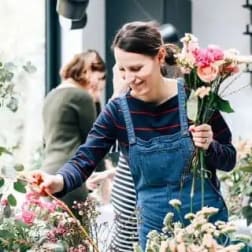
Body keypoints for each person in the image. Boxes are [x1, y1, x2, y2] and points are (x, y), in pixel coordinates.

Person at [32, 21, 236, 250]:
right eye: (122, 69)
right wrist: (57, 181)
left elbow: (229, 159)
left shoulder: (196, 100)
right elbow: (85, 158)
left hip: (207, 227)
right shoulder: (118, 111)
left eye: (137, 68)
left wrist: (210, 145)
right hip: (156, 233)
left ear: (160, 57)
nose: (129, 78)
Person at [86, 43, 183, 252]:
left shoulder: (153, 108)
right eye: (122, 70)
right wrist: (110, 174)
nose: (128, 76)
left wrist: (118, 90)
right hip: (126, 220)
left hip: (138, 217)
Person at [42, 50, 106, 208]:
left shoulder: (51, 95)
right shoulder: (81, 96)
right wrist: (102, 175)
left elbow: (45, 139)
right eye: (100, 77)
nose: (100, 83)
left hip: (48, 172)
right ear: (87, 71)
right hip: (70, 177)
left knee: (54, 231)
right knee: (75, 231)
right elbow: (93, 143)